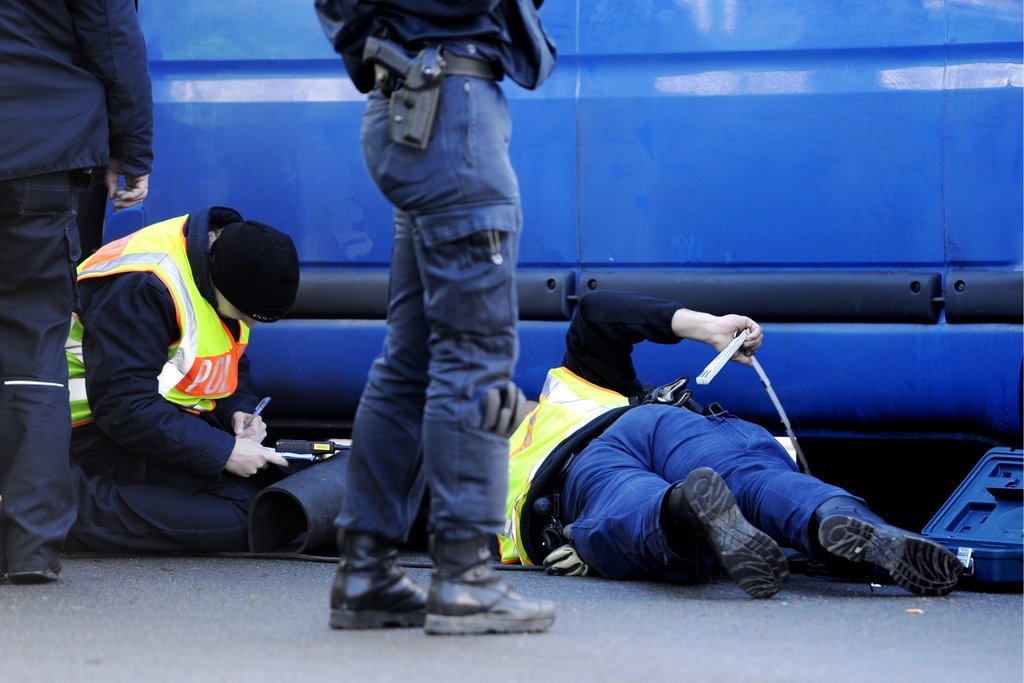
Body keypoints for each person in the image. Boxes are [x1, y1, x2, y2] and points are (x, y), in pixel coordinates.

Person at [314, 0, 558, 634]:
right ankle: (465, 576)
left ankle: (366, 571)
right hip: (451, 111)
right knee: (473, 356)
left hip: (412, 106)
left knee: (413, 359)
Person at [500, 290, 963, 599]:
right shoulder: (571, 384)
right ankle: (835, 517)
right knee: (752, 478)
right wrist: (706, 327)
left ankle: (686, 509)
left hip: (578, 477)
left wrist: (589, 547)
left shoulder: (496, 471)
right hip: (660, 423)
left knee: (631, 509)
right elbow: (597, 310)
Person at [0, 0, 152, 584]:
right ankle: (30, 547)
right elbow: (113, 36)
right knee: (34, 345)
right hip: (38, 149)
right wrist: (132, 150)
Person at [64, 207, 300, 554]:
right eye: (244, 314)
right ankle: (53, 507)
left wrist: (240, 410)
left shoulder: (221, 266)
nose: (248, 325)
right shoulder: (145, 285)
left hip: (143, 422)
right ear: (220, 282)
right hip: (82, 431)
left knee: (261, 501)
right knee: (244, 520)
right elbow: (122, 407)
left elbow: (229, 362)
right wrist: (223, 452)